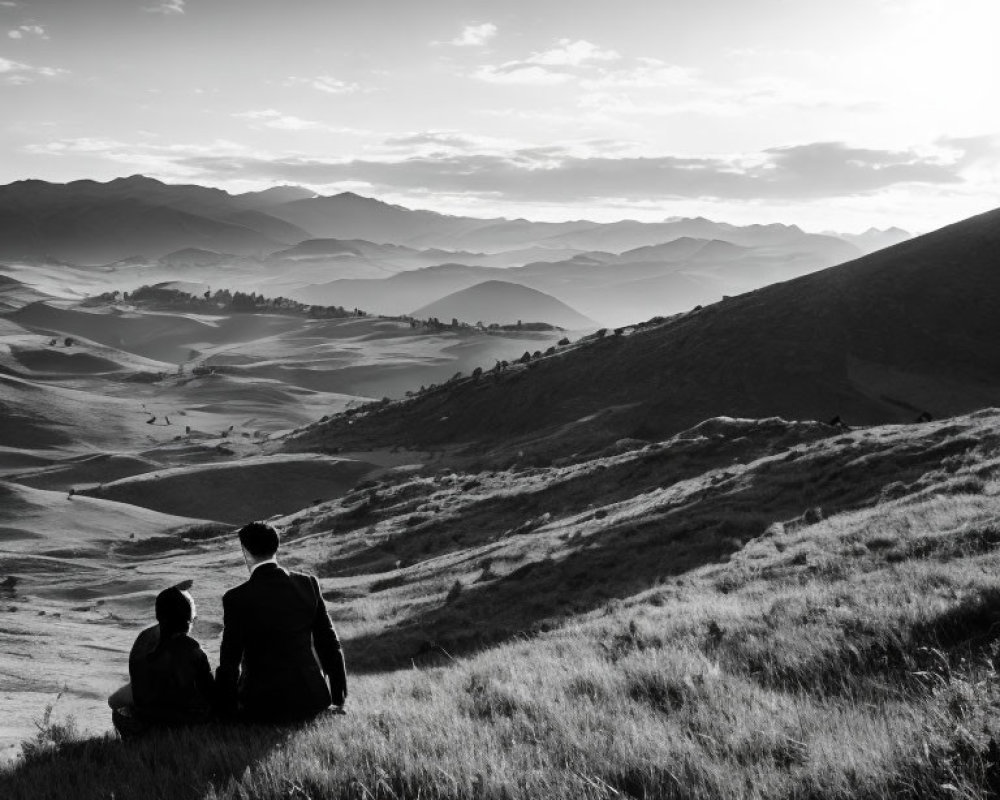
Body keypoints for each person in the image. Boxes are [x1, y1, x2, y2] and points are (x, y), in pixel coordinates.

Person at [216, 521, 347, 723]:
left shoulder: (236, 598)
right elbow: (329, 643)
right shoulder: (308, 584)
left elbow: (230, 660)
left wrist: (225, 709)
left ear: (246, 552)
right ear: (276, 546)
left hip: (260, 704)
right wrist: (337, 698)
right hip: (310, 699)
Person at [108, 586, 215, 737]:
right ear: (187, 620)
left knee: (117, 705)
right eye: (190, 620)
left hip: (143, 722)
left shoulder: (143, 639)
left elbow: (139, 684)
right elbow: (210, 692)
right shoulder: (190, 648)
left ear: (159, 616)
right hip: (177, 725)